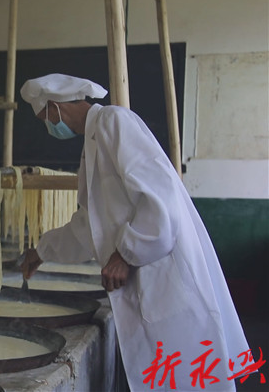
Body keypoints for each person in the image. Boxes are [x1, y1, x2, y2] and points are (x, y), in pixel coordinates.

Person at [18, 74, 250, 391]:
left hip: (164, 275)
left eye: (45, 116)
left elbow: (160, 197)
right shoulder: (92, 142)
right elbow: (89, 225)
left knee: (187, 375)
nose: (48, 125)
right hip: (148, 281)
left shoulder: (115, 122)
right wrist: (41, 251)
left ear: (55, 107)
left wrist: (126, 255)